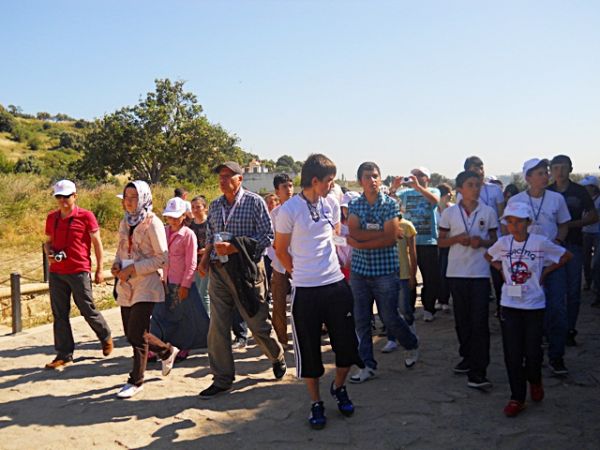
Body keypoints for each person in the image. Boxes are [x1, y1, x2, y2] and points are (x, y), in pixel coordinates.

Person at [274, 153, 363, 430]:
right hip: (306, 291)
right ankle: (316, 402)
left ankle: (339, 387)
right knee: (310, 352)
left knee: (348, 347)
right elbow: (280, 250)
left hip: (335, 285)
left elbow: (334, 237)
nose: (332, 185)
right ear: (315, 181)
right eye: (329, 181)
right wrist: (298, 273)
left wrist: (347, 251)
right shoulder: (289, 210)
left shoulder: (332, 204)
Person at [197, 161, 285, 399]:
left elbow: (267, 236)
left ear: (240, 179)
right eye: (220, 176)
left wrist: (235, 247)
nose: (223, 180)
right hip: (218, 272)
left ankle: (276, 356)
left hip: (246, 271)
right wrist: (205, 261)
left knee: (257, 323)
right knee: (217, 327)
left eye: (228, 176)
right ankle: (222, 379)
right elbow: (209, 237)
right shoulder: (215, 205)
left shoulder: (254, 202)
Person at [487, 203, 572, 417]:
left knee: (533, 352)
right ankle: (517, 397)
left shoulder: (540, 242)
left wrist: (544, 274)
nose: (514, 227)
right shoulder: (503, 243)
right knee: (512, 353)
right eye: (510, 222)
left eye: (519, 222)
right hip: (510, 304)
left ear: (528, 223)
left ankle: (535, 379)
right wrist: (501, 270)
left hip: (534, 304)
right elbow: (489, 256)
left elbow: (565, 256)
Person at [347, 162, 419, 383]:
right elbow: (354, 231)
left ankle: (411, 343)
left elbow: (390, 237)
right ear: (360, 181)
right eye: (368, 177)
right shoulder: (354, 205)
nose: (372, 180)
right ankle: (367, 365)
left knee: (389, 317)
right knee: (361, 320)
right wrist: (380, 233)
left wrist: (360, 243)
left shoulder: (390, 204)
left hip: (385, 271)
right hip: (359, 272)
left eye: (376, 176)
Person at [111, 181, 179, 398]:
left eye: (133, 197)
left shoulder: (153, 223)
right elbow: (122, 248)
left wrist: (134, 269)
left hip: (146, 283)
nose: (128, 202)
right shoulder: (125, 222)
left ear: (143, 199)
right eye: (126, 197)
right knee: (131, 332)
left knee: (136, 333)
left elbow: (162, 258)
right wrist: (116, 264)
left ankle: (136, 380)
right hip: (126, 282)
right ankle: (167, 351)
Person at [505, 158, 571, 375]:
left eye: (546, 172)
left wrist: (558, 243)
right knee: (529, 309)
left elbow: (564, 224)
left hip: (551, 261)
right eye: (540, 173)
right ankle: (532, 354)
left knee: (557, 308)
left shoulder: (557, 199)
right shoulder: (515, 199)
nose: (546, 176)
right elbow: (508, 230)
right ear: (528, 178)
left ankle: (556, 356)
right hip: (526, 265)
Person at [438, 170, 498, 389]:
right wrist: (457, 239)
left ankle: (479, 370)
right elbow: (441, 242)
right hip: (456, 273)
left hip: (480, 274)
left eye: (477, 185)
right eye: (470, 185)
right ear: (460, 189)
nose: (475, 188)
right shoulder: (450, 213)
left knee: (480, 322)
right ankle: (467, 356)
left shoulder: (488, 211)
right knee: (462, 321)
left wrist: (480, 243)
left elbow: (494, 239)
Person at [44, 179, 112, 369]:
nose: (63, 200)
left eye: (67, 196)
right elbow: (47, 241)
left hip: (79, 270)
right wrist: (49, 253)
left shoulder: (86, 216)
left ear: (75, 196)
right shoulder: (52, 218)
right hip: (57, 272)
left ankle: (104, 334)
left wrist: (99, 269)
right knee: (59, 314)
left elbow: (97, 243)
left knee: (87, 308)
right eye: (59, 196)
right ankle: (64, 354)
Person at [149, 197, 209, 361]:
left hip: (180, 282)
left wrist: (186, 285)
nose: (173, 220)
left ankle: (184, 346)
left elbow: (191, 262)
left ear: (184, 216)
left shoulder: (188, 235)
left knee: (183, 317)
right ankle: (157, 347)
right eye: (170, 217)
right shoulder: (162, 231)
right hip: (163, 281)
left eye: (177, 217)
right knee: (159, 314)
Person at [548, 155, 599, 346]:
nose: (560, 171)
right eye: (556, 168)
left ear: (570, 169)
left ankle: (569, 329)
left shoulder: (579, 192)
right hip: (551, 246)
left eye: (563, 167)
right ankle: (552, 329)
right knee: (553, 290)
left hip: (574, 244)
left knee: (573, 291)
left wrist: (571, 225)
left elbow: (593, 216)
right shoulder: (547, 192)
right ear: (551, 170)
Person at [393, 167, 441, 322]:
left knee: (430, 278)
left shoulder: (433, 190)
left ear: (427, 178)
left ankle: (428, 308)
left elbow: (435, 201)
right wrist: (394, 187)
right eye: (413, 175)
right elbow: (390, 200)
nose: (416, 177)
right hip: (408, 241)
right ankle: (409, 309)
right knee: (409, 276)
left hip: (428, 241)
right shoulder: (405, 193)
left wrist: (418, 188)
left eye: (420, 175)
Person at [382, 212, 418, 353]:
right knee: (390, 309)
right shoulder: (382, 226)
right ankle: (392, 339)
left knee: (404, 308)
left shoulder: (407, 225)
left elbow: (412, 252)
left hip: (403, 272)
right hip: (386, 272)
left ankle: (411, 328)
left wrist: (413, 274)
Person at [269, 173, 294, 348]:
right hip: (279, 263)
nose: (289, 189)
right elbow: (272, 240)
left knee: (303, 302)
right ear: (277, 191)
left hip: (300, 262)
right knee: (278, 303)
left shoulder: (301, 208)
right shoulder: (275, 213)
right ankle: (282, 339)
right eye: (284, 187)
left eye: (291, 185)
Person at [189, 195, 211, 316]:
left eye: (198, 207)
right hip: (195, 264)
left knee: (204, 293)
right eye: (193, 207)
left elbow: (215, 242)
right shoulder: (190, 226)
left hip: (209, 263)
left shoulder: (210, 223)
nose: (195, 210)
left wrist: (206, 250)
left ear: (205, 208)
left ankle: (207, 322)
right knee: (198, 293)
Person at [580, 176, 600, 304]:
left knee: (596, 263)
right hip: (586, 232)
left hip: (598, 233)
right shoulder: (584, 200)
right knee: (585, 261)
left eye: (586, 186)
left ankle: (597, 290)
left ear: (593, 187)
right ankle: (589, 282)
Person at [436, 183, 454, 312]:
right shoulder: (433, 210)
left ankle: (445, 299)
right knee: (437, 272)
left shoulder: (453, 209)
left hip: (449, 244)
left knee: (445, 272)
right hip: (435, 244)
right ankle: (440, 298)